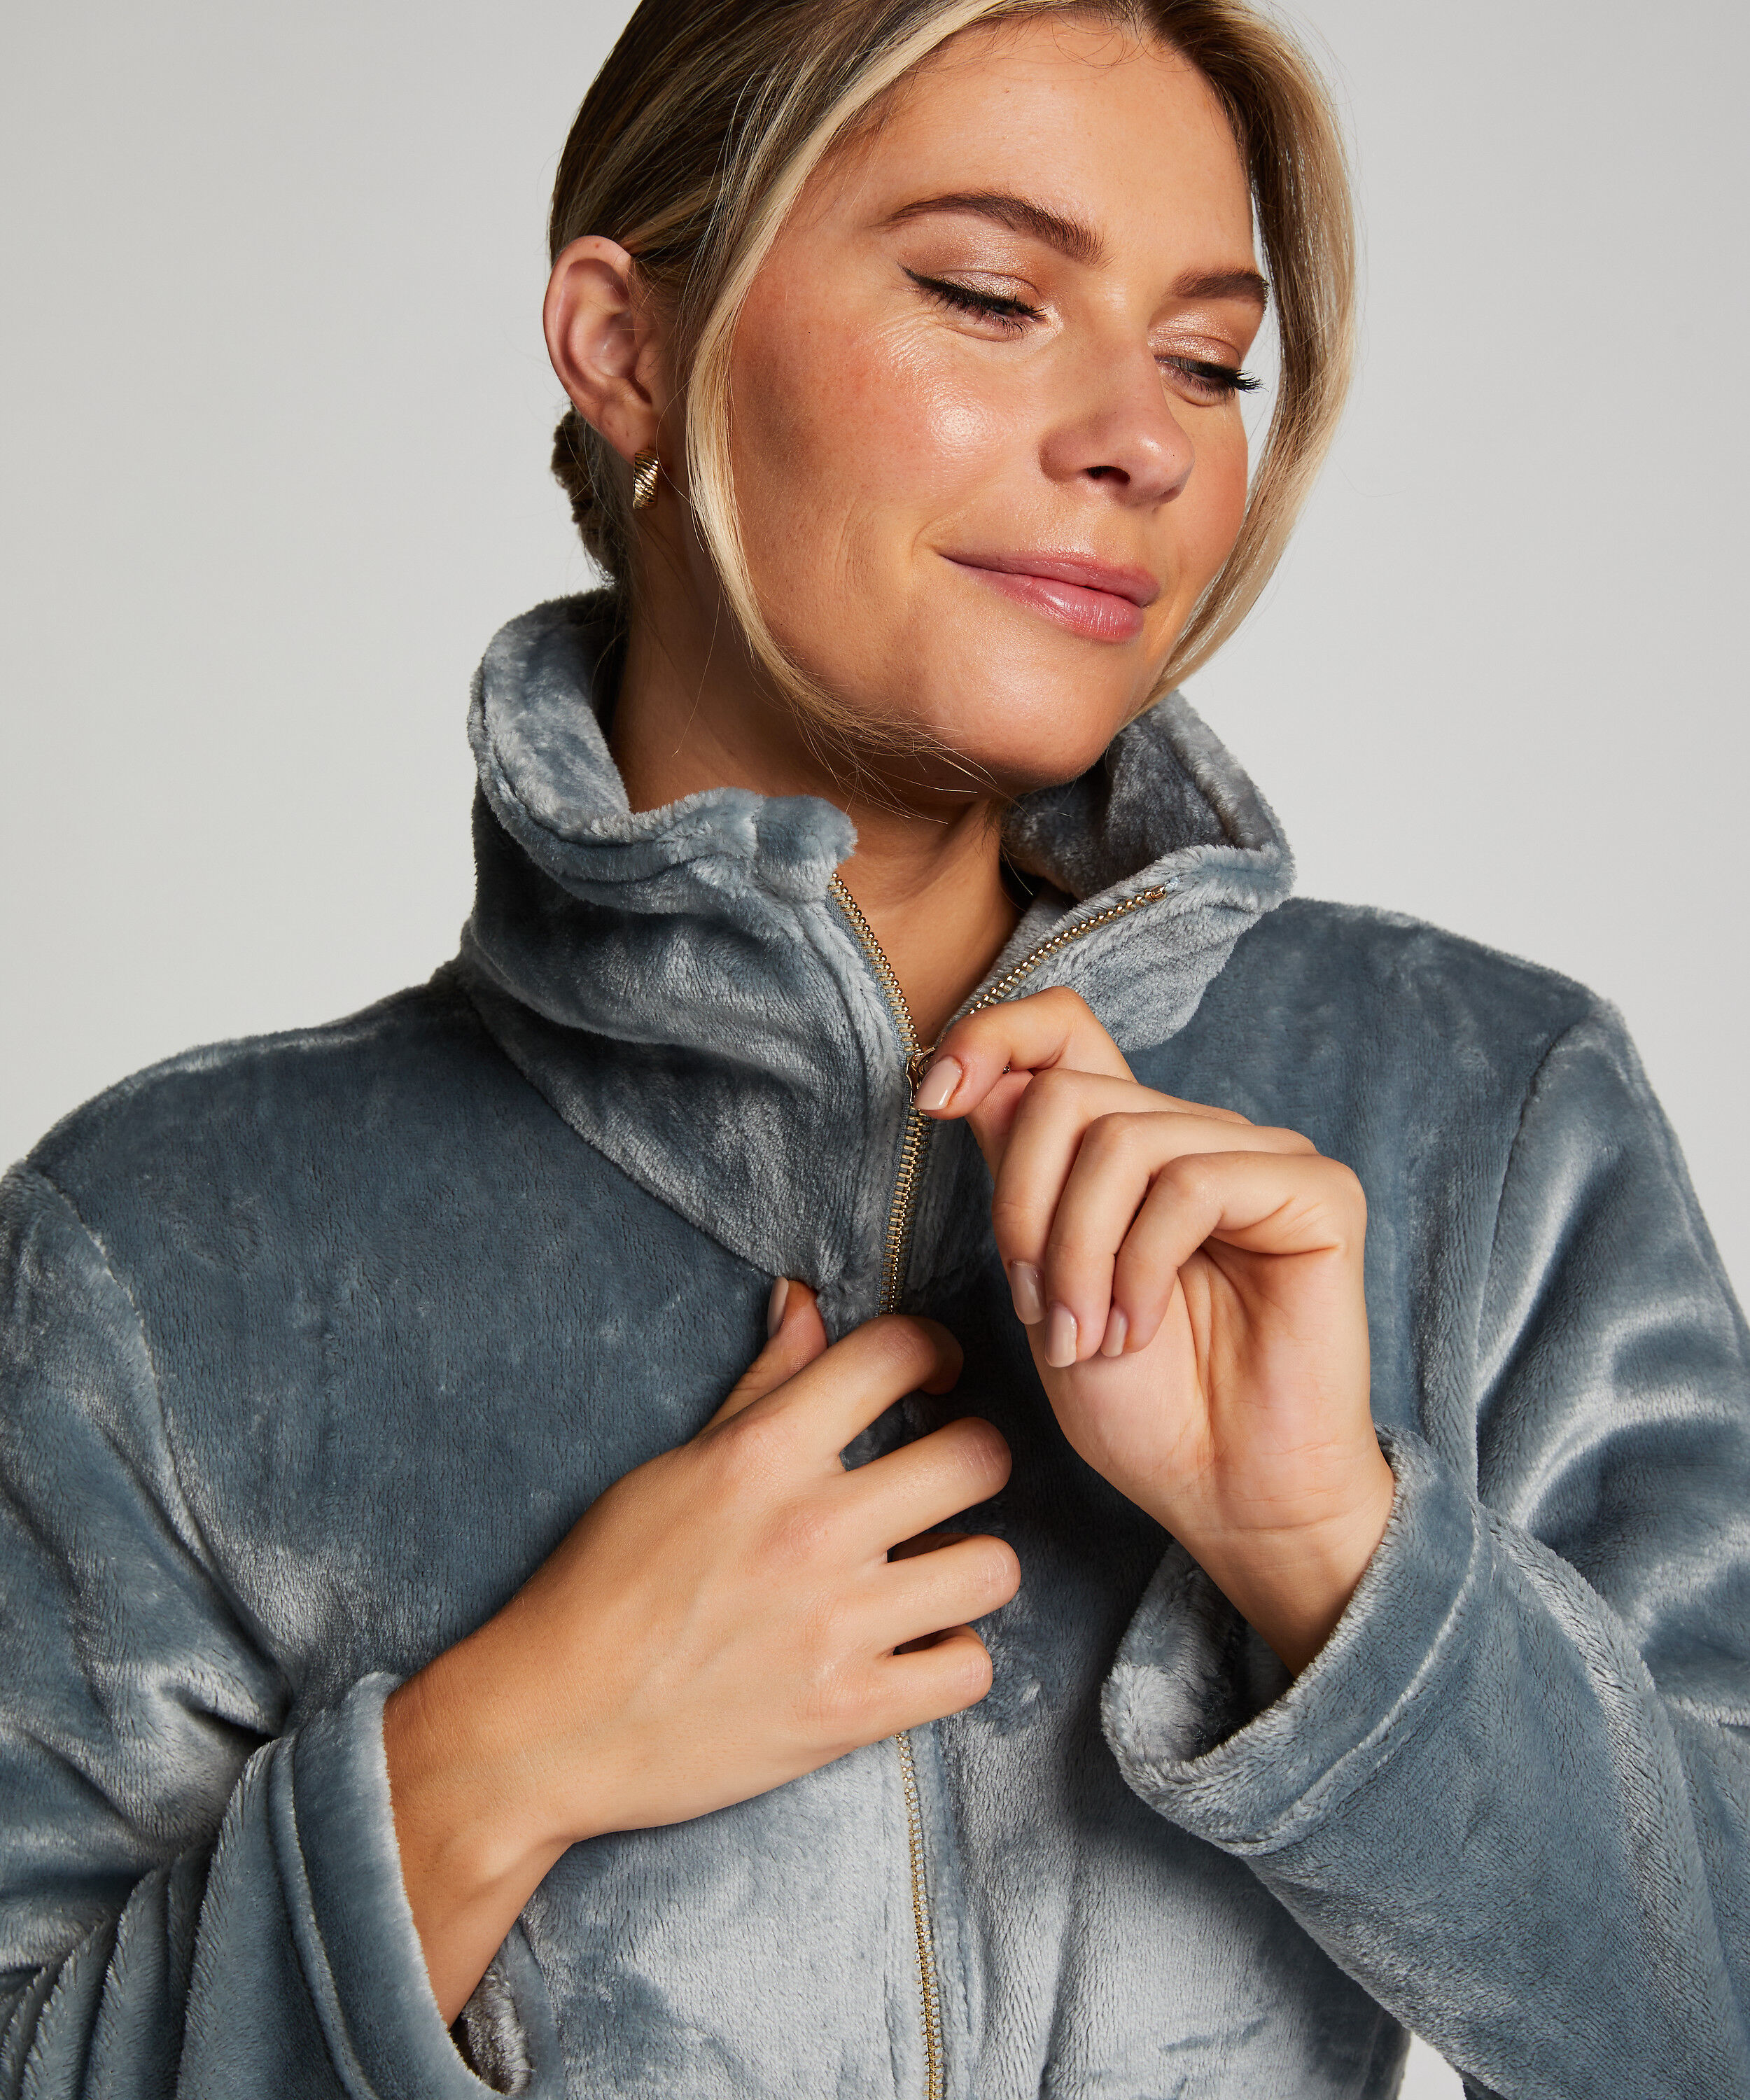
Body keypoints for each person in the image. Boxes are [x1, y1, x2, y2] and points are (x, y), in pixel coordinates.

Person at [0, 0, 1744, 2094]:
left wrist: (1330, 1557)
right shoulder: (168, 1250)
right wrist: (490, 1761)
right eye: (991, 296)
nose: (1145, 439)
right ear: (627, 349)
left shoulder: (1482, 1116)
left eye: (1208, 358)